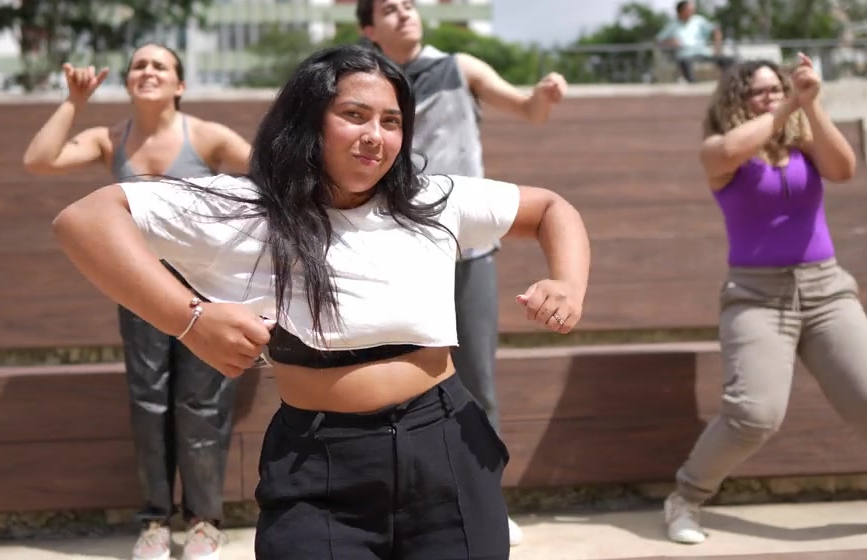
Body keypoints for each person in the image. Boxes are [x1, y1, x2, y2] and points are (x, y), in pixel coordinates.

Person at [50, 44, 592, 560]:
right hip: (318, 463)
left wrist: (567, 283)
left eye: (392, 121)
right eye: (354, 115)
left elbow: (551, 209)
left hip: (446, 446)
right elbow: (86, 219)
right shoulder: (246, 208)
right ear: (308, 120)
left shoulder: (432, 200)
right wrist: (190, 319)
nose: (374, 135)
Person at [662, 55, 867, 545]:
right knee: (754, 415)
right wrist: (789, 105)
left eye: (777, 88)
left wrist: (811, 105)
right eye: (759, 91)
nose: (770, 97)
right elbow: (729, 149)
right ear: (736, 99)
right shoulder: (718, 150)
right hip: (755, 297)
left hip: (826, 290)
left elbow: (844, 169)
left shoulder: (803, 142)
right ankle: (684, 499)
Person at [355, 0, 568, 546]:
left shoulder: (460, 67)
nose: (404, 14)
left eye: (408, 5)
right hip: (391, 250)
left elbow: (528, 110)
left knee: (476, 382)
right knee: (395, 384)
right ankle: (403, 510)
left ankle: (485, 504)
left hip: (466, 249)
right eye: (389, 10)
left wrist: (543, 94)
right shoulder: (369, 83)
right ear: (370, 30)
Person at [23, 43, 252, 560]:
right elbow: (39, 160)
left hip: (203, 288)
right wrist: (74, 102)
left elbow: (268, 172)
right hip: (140, 287)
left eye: (160, 66)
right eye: (139, 65)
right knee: (149, 403)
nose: (148, 71)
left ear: (180, 84)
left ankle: (204, 523)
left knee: (202, 403)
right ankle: (154, 522)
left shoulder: (208, 136)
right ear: (127, 82)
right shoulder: (110, 139)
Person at [655, 0, 735, 84]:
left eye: (692, 9)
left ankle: (731, 83)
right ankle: (694, 86)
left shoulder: (698, 20)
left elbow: (716, 31)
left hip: (703, 53)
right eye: (688, 9)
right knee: (685, 62)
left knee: (729, 60)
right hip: (685, 55)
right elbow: (658, 41)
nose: (691, 12)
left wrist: (717, 48)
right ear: (680, 11)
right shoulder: (672, 25)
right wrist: (670, 42)